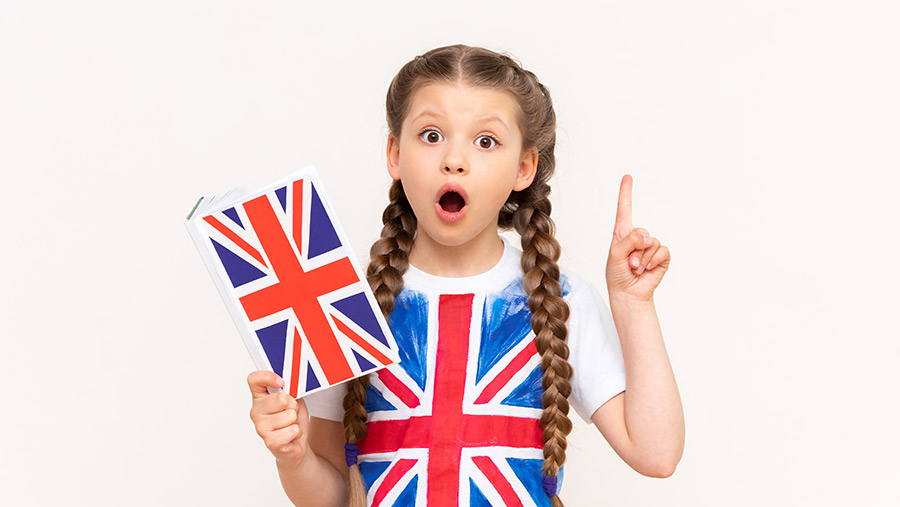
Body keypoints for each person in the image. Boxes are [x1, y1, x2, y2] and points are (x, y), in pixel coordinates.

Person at [247, 44, 684, 507]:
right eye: (431, 135)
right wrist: (293, 457)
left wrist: (634, 305)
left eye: (485, 141)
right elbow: (338, 497)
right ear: (395, 154)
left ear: (524, 167)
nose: (454, 160)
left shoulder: (562, 301)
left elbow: (657, 455)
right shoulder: (342, 305)